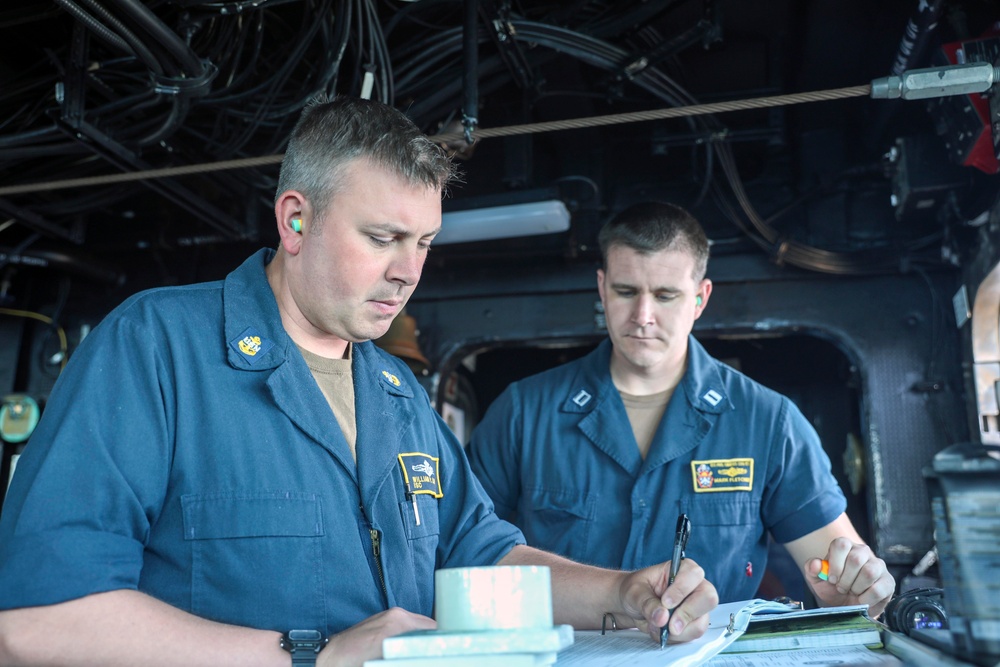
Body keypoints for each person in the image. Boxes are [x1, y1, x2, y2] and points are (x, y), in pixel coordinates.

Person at [0, 99, 717, 667]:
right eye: (381, 238)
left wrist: (623, 591)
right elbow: (35, 623)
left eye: (424, 242)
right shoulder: (157, 348)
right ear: (296, 219)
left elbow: (484, 555)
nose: (408, 270)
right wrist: (312, 654)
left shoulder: (397, 395)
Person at [467, 201, 896, 618]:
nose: (643, 315)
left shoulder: (768, 423)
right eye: (625, 291)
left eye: (666, 295)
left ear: (700, 298)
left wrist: (854, 592)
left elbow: (842, 575)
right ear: (602, 288)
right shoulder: (523, 414)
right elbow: (467, 552)